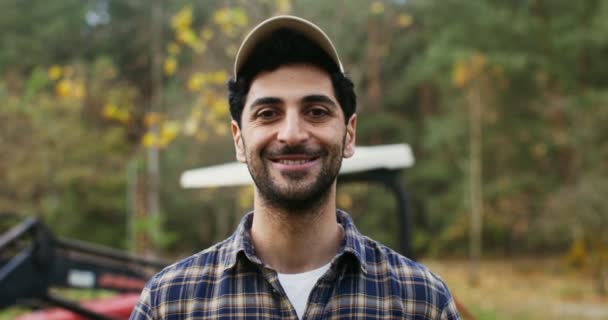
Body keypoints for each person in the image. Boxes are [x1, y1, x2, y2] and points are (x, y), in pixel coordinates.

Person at [130, 15, 460, 320]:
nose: (291, 134)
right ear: (238, 140)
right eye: (268, 113)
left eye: (316, 111)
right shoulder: (168, 303)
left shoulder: (422, 302)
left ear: (349, 134)